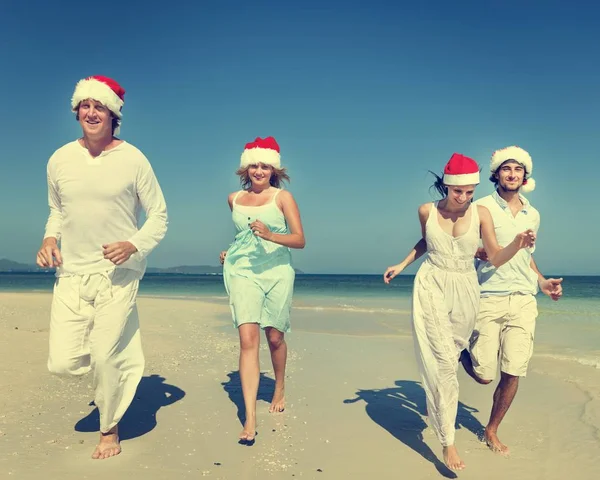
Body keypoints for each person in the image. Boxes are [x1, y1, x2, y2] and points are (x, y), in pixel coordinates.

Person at [36, 75, 168, 459]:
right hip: (72, 274)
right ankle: (121, 360)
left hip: (119, 274)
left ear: (113, 115)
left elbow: (158, 215)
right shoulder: (59, 159)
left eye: (100, 107)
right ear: (77, 112)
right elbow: (56, 211)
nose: (92, 113)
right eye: (86, 106)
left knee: (106, 355)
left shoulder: (134, 159)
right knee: (62, 362)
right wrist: (49, 240)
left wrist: (133, 245)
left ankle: (108, 428)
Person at [383, 153, 535, 471]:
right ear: (447, 187)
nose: (464, 198)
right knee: (443, 366)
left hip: (466, 289)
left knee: (454, 358)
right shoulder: (426, 210)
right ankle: (447, 441)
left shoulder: (480, 214)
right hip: (431, 285)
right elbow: (427, 242)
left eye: (469, 191)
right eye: (458, 192)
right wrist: (401, 264)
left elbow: (494, 257)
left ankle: (453, 392)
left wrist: (518, 244)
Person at [459, 146, 563, 455]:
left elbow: (527, 257)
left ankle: (491, 430)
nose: (512, 174)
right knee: (483, 374)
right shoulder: (479, 207)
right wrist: (482, 251)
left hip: (523, 299)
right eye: (507, 169)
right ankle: (460, 353)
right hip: (489, 295)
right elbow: (465, 246)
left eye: (518, 169)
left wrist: (542, 281)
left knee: (514, 370)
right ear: (496, 174)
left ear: (525, 175)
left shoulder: (534, 213)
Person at [219, 136, 305, 443]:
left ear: (274, 169)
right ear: (246, 168)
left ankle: (279, 384)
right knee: (247, 338)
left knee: (274, 336)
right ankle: (250, 420)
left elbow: (299, 240)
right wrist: (230, 252)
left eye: (264, 166)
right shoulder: (234, 199)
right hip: (243, 272)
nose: (258, 171)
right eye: (253, 165)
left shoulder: (283, 198)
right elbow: (243, 236)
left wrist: (270, 235)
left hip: (277, 271)